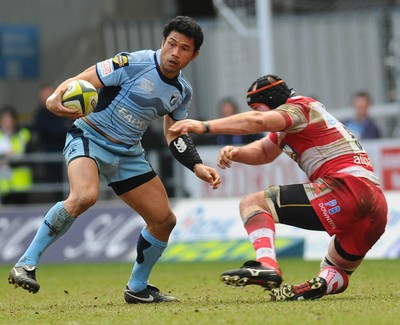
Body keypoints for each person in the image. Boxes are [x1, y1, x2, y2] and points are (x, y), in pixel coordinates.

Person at [8, 16, 221, 303]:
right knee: (84, 196)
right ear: (163, 42)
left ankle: (138, 288)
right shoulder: (131, 62)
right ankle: (26, 264)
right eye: (171, 44)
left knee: (163, 220)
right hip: (89, 137)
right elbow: (86, 79)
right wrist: (54, 98)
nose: (175, 53)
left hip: (128, 153)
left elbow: (174, 134)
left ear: (194, 55)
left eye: (184, 49)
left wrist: (197, 165)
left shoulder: (181, 92)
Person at [169, 74, 388, 301]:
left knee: (252, 203)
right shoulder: (300, 116)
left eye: (258, 106)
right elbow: (265, 151)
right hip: (376, 205)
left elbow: (258, 122)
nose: (259, 112)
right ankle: (314, 287)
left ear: (272, 101)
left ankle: (267, 264)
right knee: (336, 268)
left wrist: (204, 126)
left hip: (345, 189)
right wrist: (236, 153)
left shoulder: (297, 109)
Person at [32, 84, 73, 200]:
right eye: (45, 96)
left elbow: (70, 126)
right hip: (52, 158)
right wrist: (63, 128)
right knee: (58, 189)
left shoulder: (65, 107)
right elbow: (51, 130)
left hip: (69, 153)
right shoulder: (40, 114)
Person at [0, 105, 32, 204]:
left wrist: (10, 159)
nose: (7, 122)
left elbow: (30, 156)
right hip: (3, 184)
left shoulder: (23, 134)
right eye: (5, 119)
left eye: (9, 119)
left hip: (21, 182)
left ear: (14, 120)